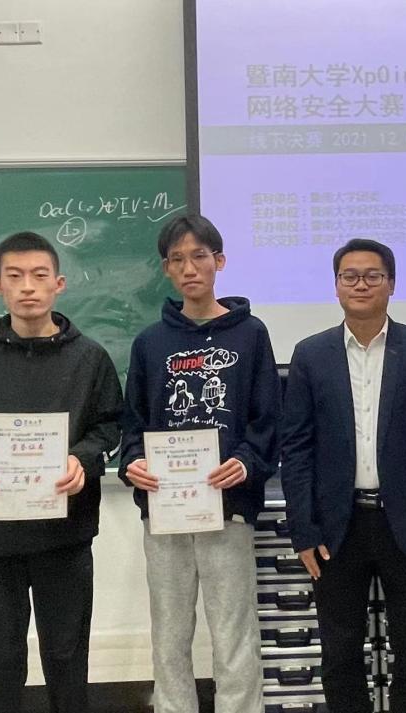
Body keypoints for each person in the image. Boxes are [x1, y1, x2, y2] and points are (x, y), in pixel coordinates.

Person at [0, 231, 123, 713]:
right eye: (15, 276)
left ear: (59, 283)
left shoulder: (90, 359)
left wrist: (83, 459)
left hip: (66, 539)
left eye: (39, 275)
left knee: (67, 660)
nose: (28, 287)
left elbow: (111, 427)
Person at [280, 239, 406, 713]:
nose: (360, 284)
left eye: (372, 275)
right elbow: (296, 448)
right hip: (335, 528)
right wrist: (303, 529)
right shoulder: (310, 354)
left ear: (391, 284)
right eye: (350, 276)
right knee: (340, 652)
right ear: (336, 286)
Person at [118, 214, 281, 713]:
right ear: (166, 269)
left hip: (228, 506)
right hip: (165, 511)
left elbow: (267, 418)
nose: (189, 268)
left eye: (199, 257)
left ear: (219, 262)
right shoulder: (150, 343)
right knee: (169, 632)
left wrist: (246, 462)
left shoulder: (250, 334)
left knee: (234, 631)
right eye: (177, 259)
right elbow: (133, 423)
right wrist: (134, 462)